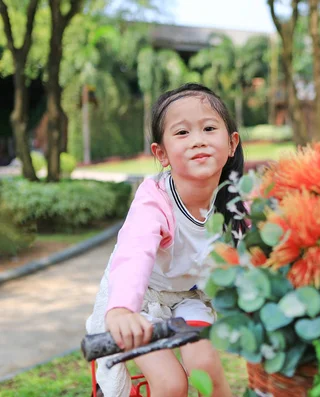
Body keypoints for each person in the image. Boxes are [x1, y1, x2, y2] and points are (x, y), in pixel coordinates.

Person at [86, 83, 248, 397]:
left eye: (209, 128)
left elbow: (255, 263)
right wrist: (121, 309)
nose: (198, 140)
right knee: (171, 383)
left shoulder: (238, 205)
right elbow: (134, 252)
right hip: (139, 300)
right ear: (161, 153)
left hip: (189, 298)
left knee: (207, 369)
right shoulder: (154, 198)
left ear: (231, 143)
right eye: (182, 133)